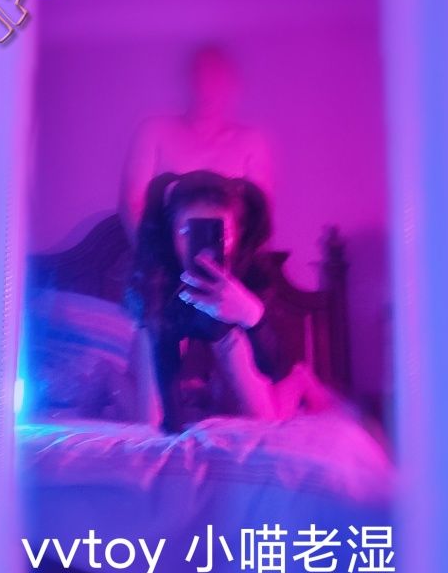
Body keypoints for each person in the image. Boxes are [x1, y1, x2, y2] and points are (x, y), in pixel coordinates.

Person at [126, 170, 336, 434]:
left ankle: (300, 381)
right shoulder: (158, 275)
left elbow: (276, 367)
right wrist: (171, 427)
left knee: (265, 422)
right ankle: (113, 379)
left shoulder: (248, 274)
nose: (201, 246)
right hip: (166, 325)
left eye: (219, 234)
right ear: (170, 234)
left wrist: (253, 317)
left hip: (225, 329)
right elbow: (161, 361)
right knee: (149, 423)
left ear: (238, 233)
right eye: (187, 231)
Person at [119, 45, 273, 243]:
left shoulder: (250, 141)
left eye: (215, 79)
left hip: (229, 253)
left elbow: (260, 214)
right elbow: (132, 203)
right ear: (186, 82)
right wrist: (153, 255)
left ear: (230, 84)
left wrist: (236, 258)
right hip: (164, 250)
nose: (206, 88)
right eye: (199, 77)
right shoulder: (154, 130)